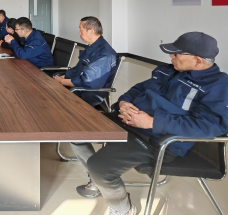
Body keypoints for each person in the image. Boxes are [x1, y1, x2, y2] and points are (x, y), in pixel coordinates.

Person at [71, 32, 228, 215]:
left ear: (198, 61)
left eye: (177, 53)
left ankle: (123, 209)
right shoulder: (169, 70)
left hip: (158, 139)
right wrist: (124, 102)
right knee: (74, 130)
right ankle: (97, 181)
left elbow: (209, 126)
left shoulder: (218, 87)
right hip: (129, 121)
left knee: (99, 168)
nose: (171, 56)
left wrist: (152, 122)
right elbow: (140, 88)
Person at [53, 16, 117, 106]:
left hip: (89, 94)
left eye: (81, 30)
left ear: (91, 31)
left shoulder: (105, 55)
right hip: (79, 89)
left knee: (54, 100)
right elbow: (78, 68)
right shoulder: (92, 47)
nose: (79, 33)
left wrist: (61, 82)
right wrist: (62, 77)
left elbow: (86, 81)